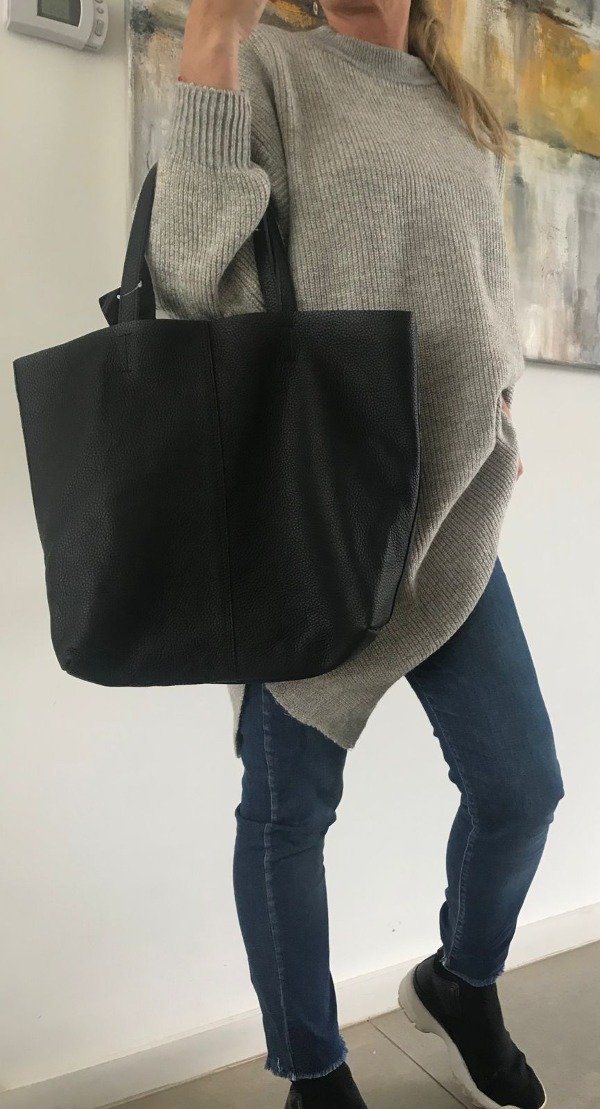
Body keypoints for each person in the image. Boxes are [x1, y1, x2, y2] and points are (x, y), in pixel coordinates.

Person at [147, 1, 565, 1105]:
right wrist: (209, 45)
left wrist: (498, 406)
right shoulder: (277, 67)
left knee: (522, 786)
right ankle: (315, 1070)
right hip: (311, 515)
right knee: (287, 815)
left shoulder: (463, 108)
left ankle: (461, 980)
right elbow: (190, 279)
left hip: (452, 510)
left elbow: (482, 289)